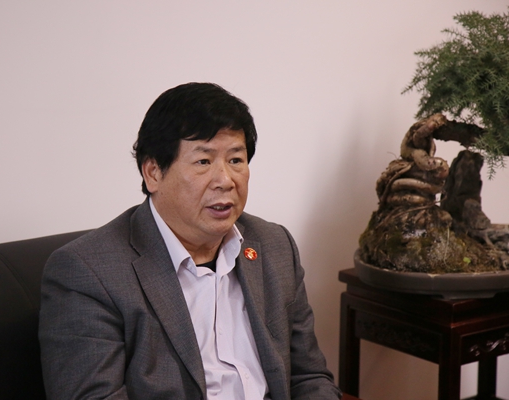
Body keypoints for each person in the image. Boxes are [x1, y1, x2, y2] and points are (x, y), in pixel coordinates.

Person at [39, 82, 341, 400]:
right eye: (203, 162)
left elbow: (310, 377)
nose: (225, 180)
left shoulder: (274, 245)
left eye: (236, 160)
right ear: (153, 172)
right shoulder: (89, 273)